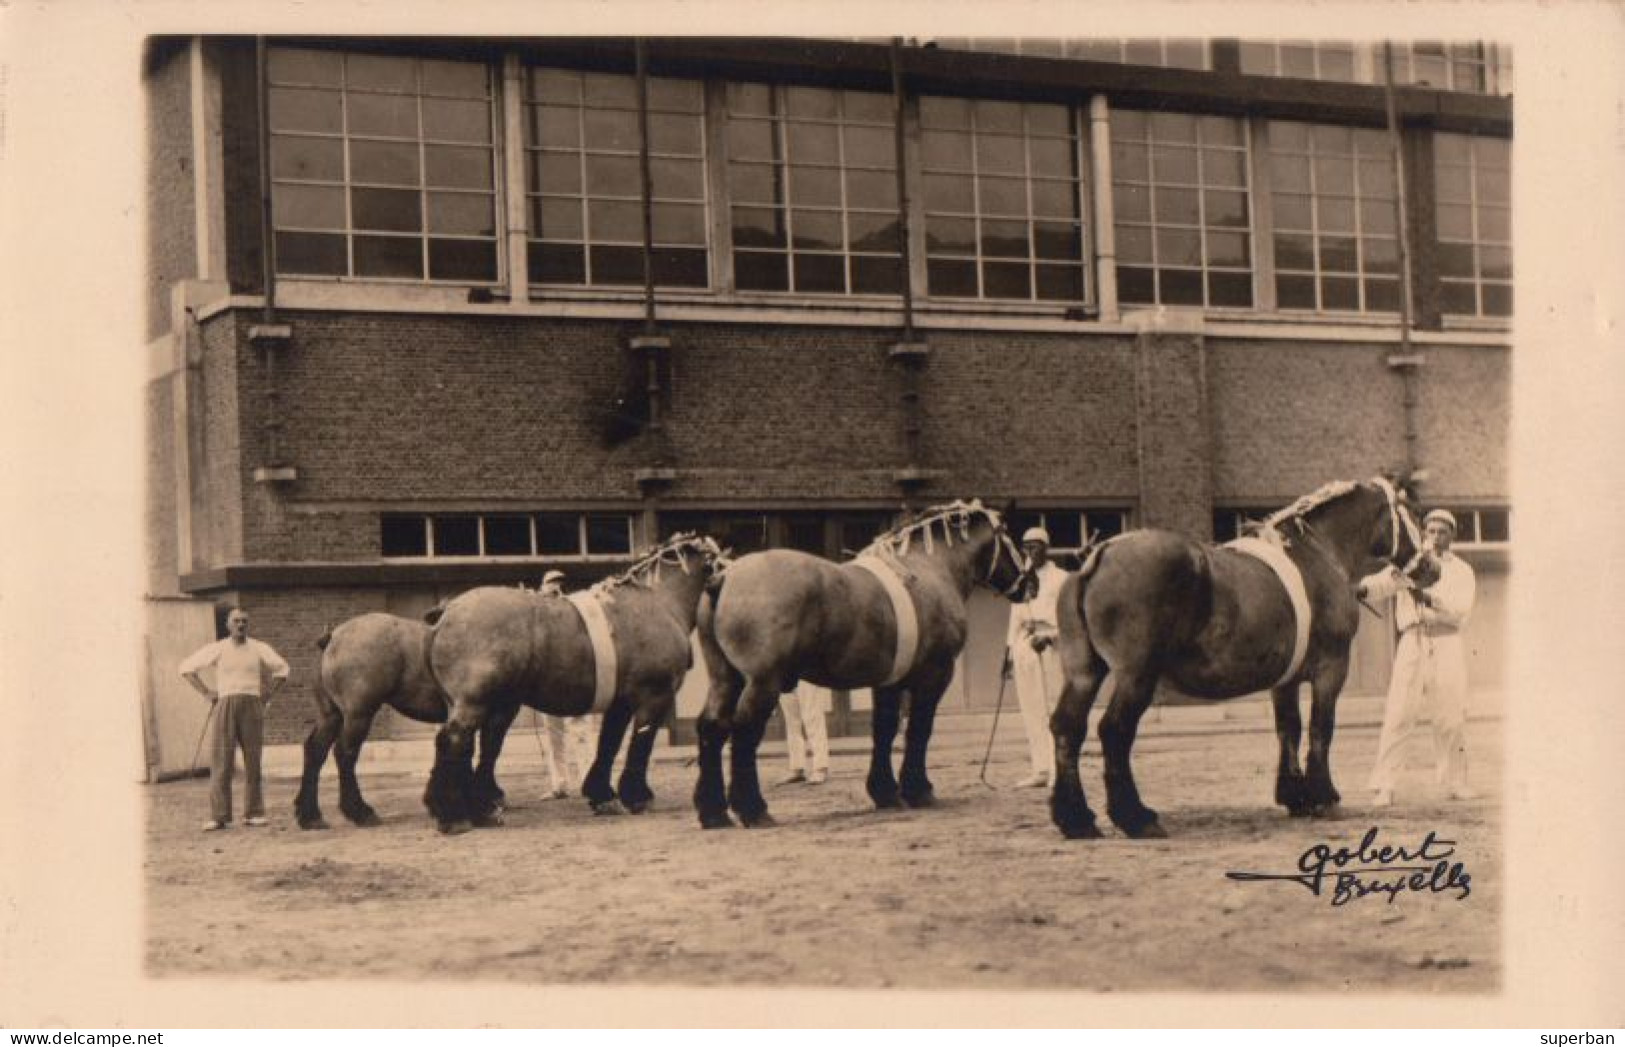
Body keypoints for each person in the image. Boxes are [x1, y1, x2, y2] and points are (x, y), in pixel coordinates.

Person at [1358, 508, 1479, 806]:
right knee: (1399, 713)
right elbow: (1379, 585)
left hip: (1447, 642)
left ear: (1452, 535)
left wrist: (1430, 599)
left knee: (1451, 717)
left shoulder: (1462, 570)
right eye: (1431, 531)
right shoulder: (1410, 565)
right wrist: (1359, 588)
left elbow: (1460, 612)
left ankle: (1456, 782)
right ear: (1423, 533)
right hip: (1412, 642)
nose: (1435, 537)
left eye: (1442, 532)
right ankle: (1384, 785)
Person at [179, 607, 290, 831]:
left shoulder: (259, 648)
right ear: (228, 625)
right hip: (226, 704)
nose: (240, 625)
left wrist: (267, 694)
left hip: (252, 704)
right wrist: (207, 692)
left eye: (244, 621)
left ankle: (254, 812)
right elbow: (186, 668)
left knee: (253, 760)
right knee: (222, 761)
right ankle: (219, 815)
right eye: (236, 621)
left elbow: (283, 669)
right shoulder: (218, 649)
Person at [1007, 526, 1069, 788]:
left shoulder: (1062, 578)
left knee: (1054, 708)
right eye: (1026, 547)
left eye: (1034, 546)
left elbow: (1069, 618)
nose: (1030, 552)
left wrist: (1052, 636)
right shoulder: (1023, 579)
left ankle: (1059, 769)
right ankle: (1040, 768)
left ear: (1046, 547)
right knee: (1031, 709)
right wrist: (1009, 651)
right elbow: (1015, 618)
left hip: (1052, 646)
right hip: (1026, 646)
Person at [538, 569, 597, 798]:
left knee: (581, 730)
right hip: (547, 682)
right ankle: (559, 784)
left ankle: (589, 780)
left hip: (574, 680)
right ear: (543, 587)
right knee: (553, 735)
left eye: (559, 583)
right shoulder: (539, 614)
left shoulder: (576, 612)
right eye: (551, 583)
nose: (556, 587)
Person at [777, 681, 831, 786]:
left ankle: (820, 767)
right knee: (791, 722)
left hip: (807, 673)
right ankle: (796, 768)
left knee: (813, 717)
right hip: (786, 672)